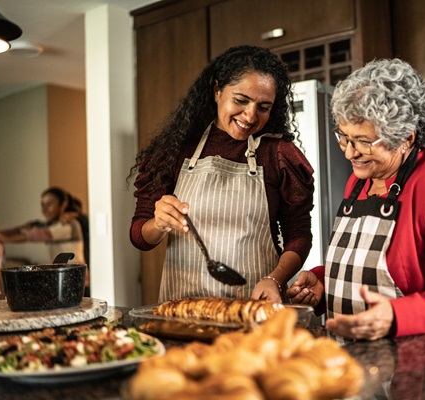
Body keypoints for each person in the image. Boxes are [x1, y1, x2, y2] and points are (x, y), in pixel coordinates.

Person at [286, 58, 425, 340]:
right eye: (344, 137)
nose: (349, 153)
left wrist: (396, 316)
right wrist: (322, 283)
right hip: (353, 361)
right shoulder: (358, 182)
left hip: (418, 367)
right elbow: (360, 267)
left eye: (364, 141)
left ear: (406, 137)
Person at [129, 45, 315, 303]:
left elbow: (299, 234)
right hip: (184, 308)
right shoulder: (177, 149)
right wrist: (159, 224)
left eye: (263, 106)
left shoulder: (279, 154)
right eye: (240, 100)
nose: (250, 116)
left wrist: (275, 279)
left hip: (255, 304)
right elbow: (140, 236)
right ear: (217, 90)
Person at [0, 187, 88, 291]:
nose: (44, 209)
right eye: (42, 205)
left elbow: (40, 234)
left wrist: (5, 239)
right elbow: (22, 230)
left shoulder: (69, 223)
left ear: (64, 204)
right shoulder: (50, 224)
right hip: (63, 279)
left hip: (76, 281)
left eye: (49, 204)